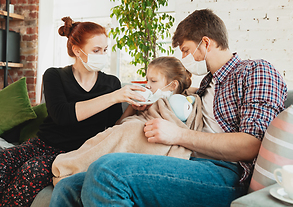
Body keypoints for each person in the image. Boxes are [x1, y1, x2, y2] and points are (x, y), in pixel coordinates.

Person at [49, 9, 288, 207]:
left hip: (224, 173)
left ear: (205, 43)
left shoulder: (255, 71)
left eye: (185, 50)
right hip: (187, 160)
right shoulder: (207, 83)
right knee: (69, 187)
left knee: (107, 170)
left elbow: (251, 144)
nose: (183, 58)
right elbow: (183, 103)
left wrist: (178, 134)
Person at [0, 17, 146, 206]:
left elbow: (113, 128)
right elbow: (63, 116)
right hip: (42, 144)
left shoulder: (111, 83)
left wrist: (131, 106)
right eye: (96, 50)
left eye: (105, 50)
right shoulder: (54, 75)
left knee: (32, 170)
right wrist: (114, 97)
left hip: (77, 153)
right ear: (77, 51)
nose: (102, 55)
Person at [51, 56, 202, 186]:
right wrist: (133, 107)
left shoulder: (179, 102)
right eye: (147, 79)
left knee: (127, 132)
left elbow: (176, 124)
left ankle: (68, 167)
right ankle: (72, 165)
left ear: (173, 85)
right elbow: (118, 125)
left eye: (153, 80)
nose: (147, 85)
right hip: (127, 129)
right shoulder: (147, 101)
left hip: (150, 134)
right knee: (111, 135)